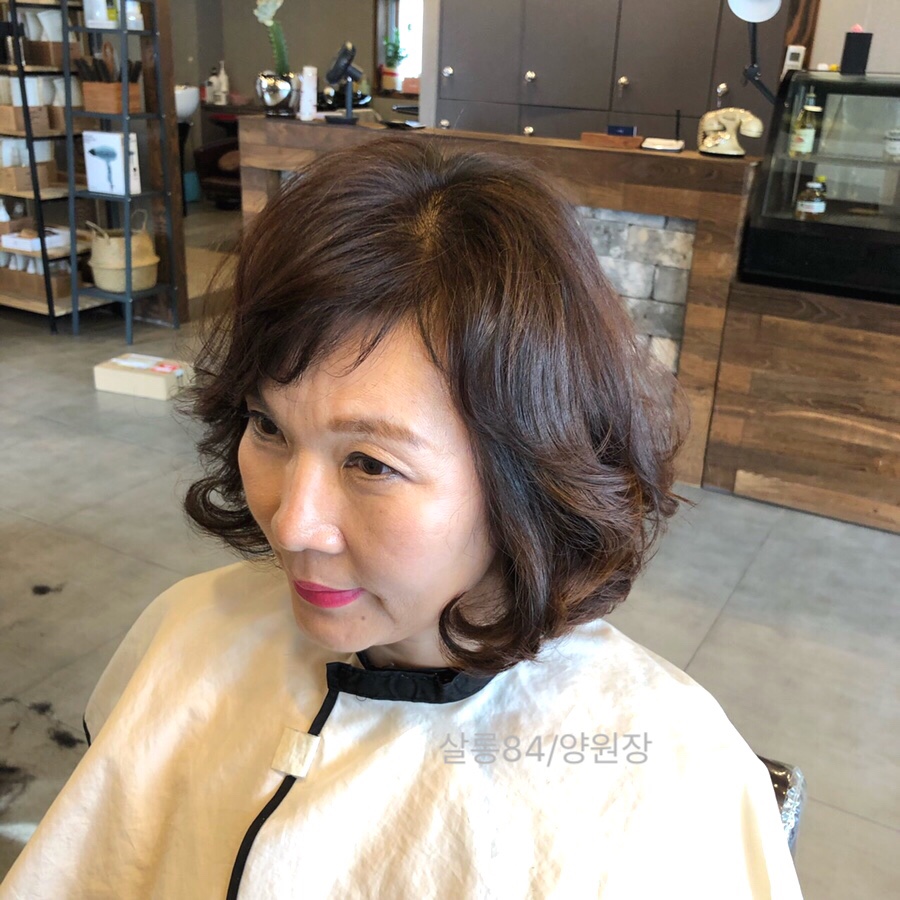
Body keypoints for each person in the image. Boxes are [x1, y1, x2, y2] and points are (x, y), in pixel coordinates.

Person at [0, 137, 802, 899]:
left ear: (530, 477)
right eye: (269, 426)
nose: (293, 526)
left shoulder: (662, 773)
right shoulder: (190, 630)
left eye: (372, 464)